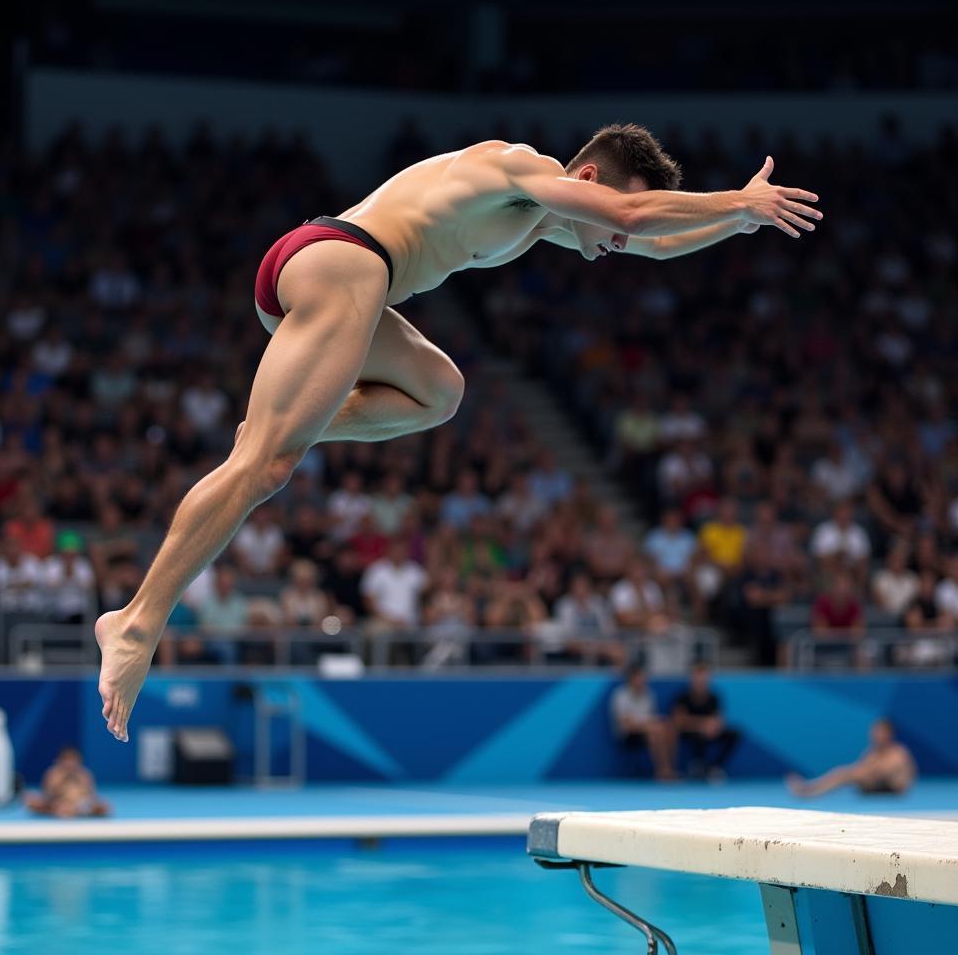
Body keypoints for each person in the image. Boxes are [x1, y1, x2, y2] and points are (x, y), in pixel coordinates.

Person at [97, 125, 822, 741]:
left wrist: (737, 222)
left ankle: (283, 431)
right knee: (263, 468)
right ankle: (134, 623)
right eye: (621, 201)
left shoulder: (546, 217)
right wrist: (736, 196)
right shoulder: (518, 167)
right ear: (593, 175)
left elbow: (651, 244)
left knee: (438, 393)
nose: (613, 238)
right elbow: (627, 221)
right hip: (341, 261)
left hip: (346, 278)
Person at [787, 719, 916, 797]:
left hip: (892, 788)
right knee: (842, 772)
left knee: (845, 773)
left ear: (889, 734)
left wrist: (857, 773)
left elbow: (882, 772)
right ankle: (809, 788)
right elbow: (862, 767)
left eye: (880, 732)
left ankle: (808, 789)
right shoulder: (873, 751)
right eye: (875, 731)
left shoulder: (898, 752)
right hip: (875, 785)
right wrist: (856, 772)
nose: (876, 735)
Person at [670, 662, 740, 781]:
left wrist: (713, 726)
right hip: (689, 733)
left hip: (709, 731)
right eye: (698, 676)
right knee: (700, 735)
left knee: (735, 733)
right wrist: (701, 724)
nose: (701, 680)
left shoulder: (713, 697)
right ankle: (699, 766)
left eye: (704, 677)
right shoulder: (683, 697)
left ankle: (715, 767)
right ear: (692, 678)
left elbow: (718, 720)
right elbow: (678, 722)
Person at [610, 665, 677, 781]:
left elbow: (652, 717)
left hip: (649, 730)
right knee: (654, 732)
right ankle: (662, 771)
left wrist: (658, 723)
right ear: (632, 678)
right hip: (628, 735)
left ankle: (669, 768)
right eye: (640, 677)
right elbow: (626, 726)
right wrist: (649, 726)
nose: (643, 680)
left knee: (669, 729)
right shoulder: (620, 696)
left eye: (644, 677)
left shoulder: (648, 694)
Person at [25, 746, 111, 817]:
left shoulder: (84, 774)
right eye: (67, 760)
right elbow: (48, 794)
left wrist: (78, 803)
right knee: (30, 800)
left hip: (80, 805)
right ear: (61, 761)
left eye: (73, 760)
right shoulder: (53, 773)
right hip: (57, 803)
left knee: (104, 806)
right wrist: (63, 780)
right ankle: (66, 810)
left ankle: (74, 811)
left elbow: (91, 796)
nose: (70, 763)